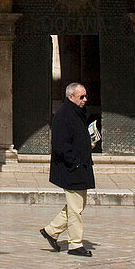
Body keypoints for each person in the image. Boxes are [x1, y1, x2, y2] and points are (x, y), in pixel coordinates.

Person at [40, 81, 95, 257]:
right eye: (81, 96)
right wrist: (75, 161)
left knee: (78, 204)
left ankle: (50, 231)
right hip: (71, 168)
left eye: (86, 96)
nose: (85, 99)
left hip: (80, 167)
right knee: (75, 208)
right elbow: (60, 144)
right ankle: (75, 244)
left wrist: (88, 144)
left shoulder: (77, 114)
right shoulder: (63, 115)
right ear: (71, 97)